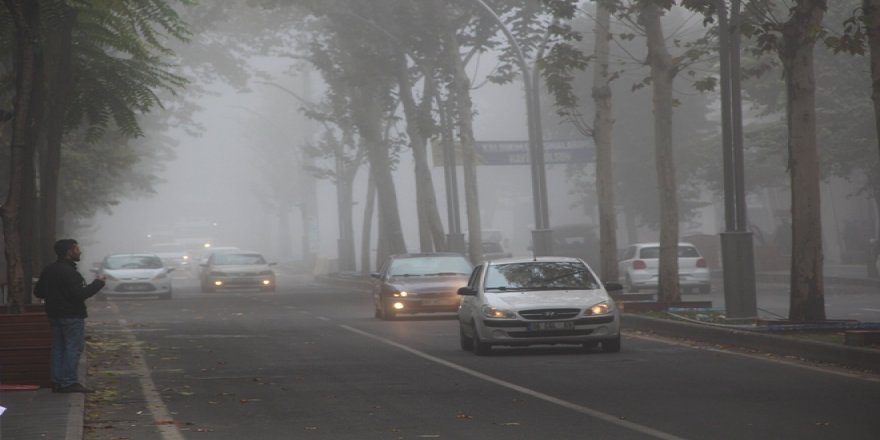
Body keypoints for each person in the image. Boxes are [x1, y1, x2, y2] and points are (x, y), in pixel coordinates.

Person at [34, 239, 106, 393]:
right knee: (73, 347)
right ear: (69, 251)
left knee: (59, 347)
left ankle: (57, 381)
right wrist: (98, 283)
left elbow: (38, 292)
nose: (79, 252)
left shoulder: (49, 270)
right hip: (72, 315)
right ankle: (69, 382)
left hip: (54, 314)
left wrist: (55, 295)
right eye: (77, 249)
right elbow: (80, 294)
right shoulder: (71, 273)